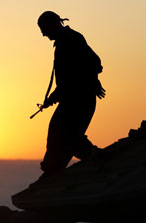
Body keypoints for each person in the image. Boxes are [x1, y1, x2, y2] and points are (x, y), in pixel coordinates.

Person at [37, 11, 106, 179]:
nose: (43, 34)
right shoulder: (65, 41)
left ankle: (94, 159)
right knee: (59, 132)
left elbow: (94, 64)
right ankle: (53, 170)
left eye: (43, 28)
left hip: (80, 99)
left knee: (66, 134)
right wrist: (54, 97)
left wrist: (91, 82)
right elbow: (69, 79)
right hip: (73, 98)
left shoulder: (72, 39)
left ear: (53, 24)